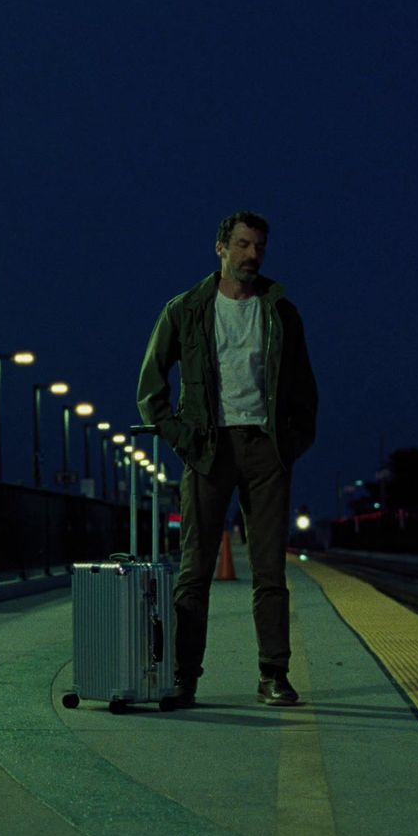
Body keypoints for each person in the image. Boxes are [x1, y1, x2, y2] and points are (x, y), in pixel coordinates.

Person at [136, 210, 319, 707]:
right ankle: (184, 677)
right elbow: (149, 389)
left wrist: (288, 447)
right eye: (241, 245)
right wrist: (182, 439)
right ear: (220, 248)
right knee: (194, 570)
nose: (251, 256)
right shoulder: (187, 309)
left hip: (265, 451)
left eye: (258, 246)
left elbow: (305, 391)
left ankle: (273, 676)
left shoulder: (281, 312)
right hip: (208, 449)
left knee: (269, 572)